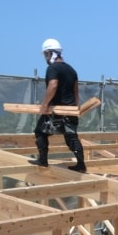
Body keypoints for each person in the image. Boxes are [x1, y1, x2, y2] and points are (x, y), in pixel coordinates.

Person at [29, 38, 87, 172]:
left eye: (45, 54)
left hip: (56, 111)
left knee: (40, 132)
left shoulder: (53, 68)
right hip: (69, 110)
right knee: (71, 137)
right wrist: (73, 107)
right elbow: (76, 91)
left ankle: (43, 160)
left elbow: (53, 85)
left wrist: (44, 105)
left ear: (50, 53)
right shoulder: (71, 69)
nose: (45, 57)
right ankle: (81, 165)